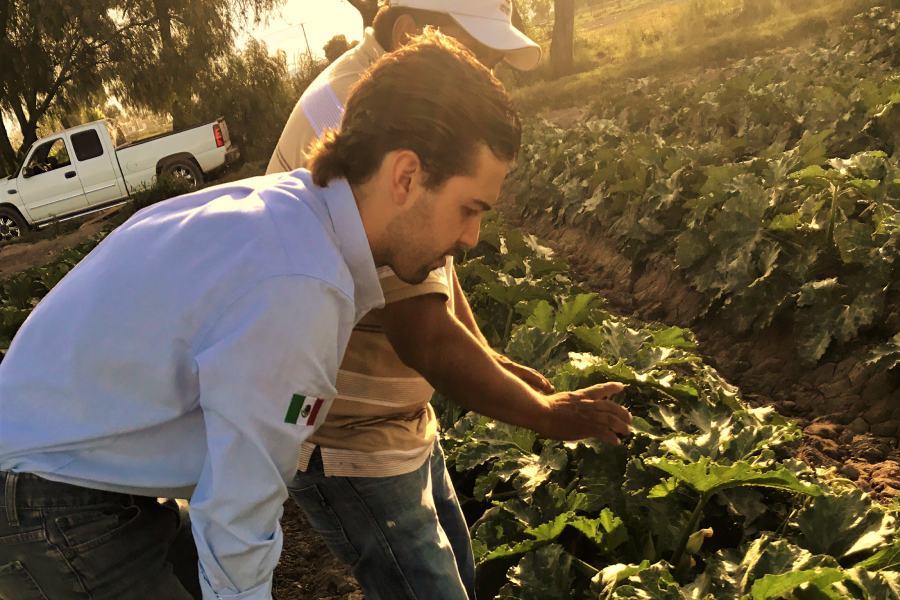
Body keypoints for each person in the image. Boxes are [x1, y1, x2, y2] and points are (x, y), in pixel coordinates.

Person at [0, 33, 634, 600]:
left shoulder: (292, 218)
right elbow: (241, 512)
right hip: (52, 505)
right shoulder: (300, 286)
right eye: (470, 208)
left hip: (68, 480)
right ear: (407, 176)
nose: (471, 238)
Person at [267, 5, 628, 600]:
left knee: (459, 577)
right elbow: (423, 334)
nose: (486, 73)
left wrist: (509, 370)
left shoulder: (405, 105)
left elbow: (435, 270)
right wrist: (545, 414)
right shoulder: (359, 114)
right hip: (349, 440)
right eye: (477, 53)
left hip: (398, 422)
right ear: (413, 33)